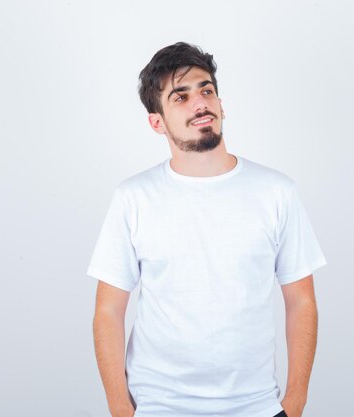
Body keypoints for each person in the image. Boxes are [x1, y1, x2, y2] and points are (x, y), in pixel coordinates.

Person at [87, 41, 327, 417]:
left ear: (220, 103)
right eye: (179, 97)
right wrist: (120, 408)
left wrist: (294, 403)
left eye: (206, 90)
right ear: (157, 122)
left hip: (256, 407)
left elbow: (301, 301)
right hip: (158, 407)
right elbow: (108, 311)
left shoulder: (276, 192)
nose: (199, 103)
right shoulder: (133, 198)